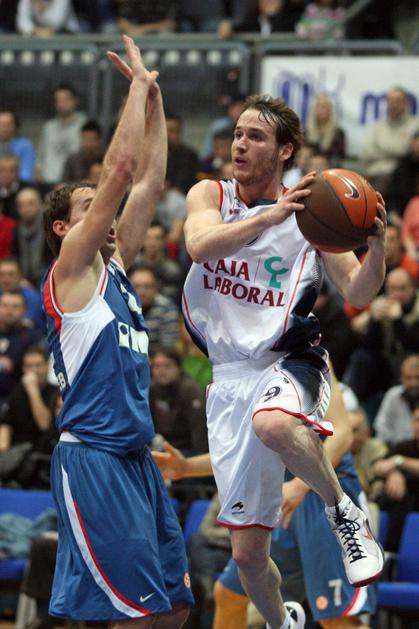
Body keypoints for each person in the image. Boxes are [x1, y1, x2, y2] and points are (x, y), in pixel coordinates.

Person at [182, 94, 386, 629]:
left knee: (273, 424)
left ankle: (343, 511)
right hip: (228, 378)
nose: (240, 144)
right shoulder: (211, 194)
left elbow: (359, 291)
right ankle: (282, 623)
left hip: (289, 357)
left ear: (285, 151)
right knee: (249, 559)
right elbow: (200, 246)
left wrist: (378, 249)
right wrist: (269, 216)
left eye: (256, 136)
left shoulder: (311, 216)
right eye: (238, 134)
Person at [41, 36, 193, 626]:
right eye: (89, 208)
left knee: (174, 609)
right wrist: (134, 90)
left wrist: (154, 102)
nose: (103, 215)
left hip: (136, 460)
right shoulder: (71, 270)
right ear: (63, 228)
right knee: (137, 617)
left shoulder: (116, 265)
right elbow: (121, 171)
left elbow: (148, 179)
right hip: (95, 461)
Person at [153, 368, 379, 629]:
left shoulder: (309, 355)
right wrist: (186, 468)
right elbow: (241, 452)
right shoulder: (245, 368)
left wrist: (301, 485)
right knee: (229, 594)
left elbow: (342, 434)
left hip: (322, 492)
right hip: (283, 499)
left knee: (337, 619)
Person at [374, 403, 419, 552]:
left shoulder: (400, 456)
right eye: (416, 420)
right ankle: (386, 553)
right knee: (391, 498)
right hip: (403, 503)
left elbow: (395, 461)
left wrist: (399, 462)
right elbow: (378, 467)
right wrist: (393, 473)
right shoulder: (403, 447)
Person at [38, 84, 87, 184]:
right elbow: (40, 157)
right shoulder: (49, 127)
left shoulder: (84, 124)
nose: (61, 104)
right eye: (58, 100)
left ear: (76, 101)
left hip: (73, 182)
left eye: (65, 99)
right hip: (48, 182)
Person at [374, 353, 419, 446]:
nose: (413, 383)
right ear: (401, 378)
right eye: (408, 378)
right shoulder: (393, 395)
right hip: (396, 448)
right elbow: (381, 426)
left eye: (417, 378)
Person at [0, 110, 36, 181]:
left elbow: (26, 174)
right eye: (1, 124)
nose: (4, 128)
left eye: (8, 124)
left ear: (15, 127)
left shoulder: (26, 146)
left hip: (19, 185)